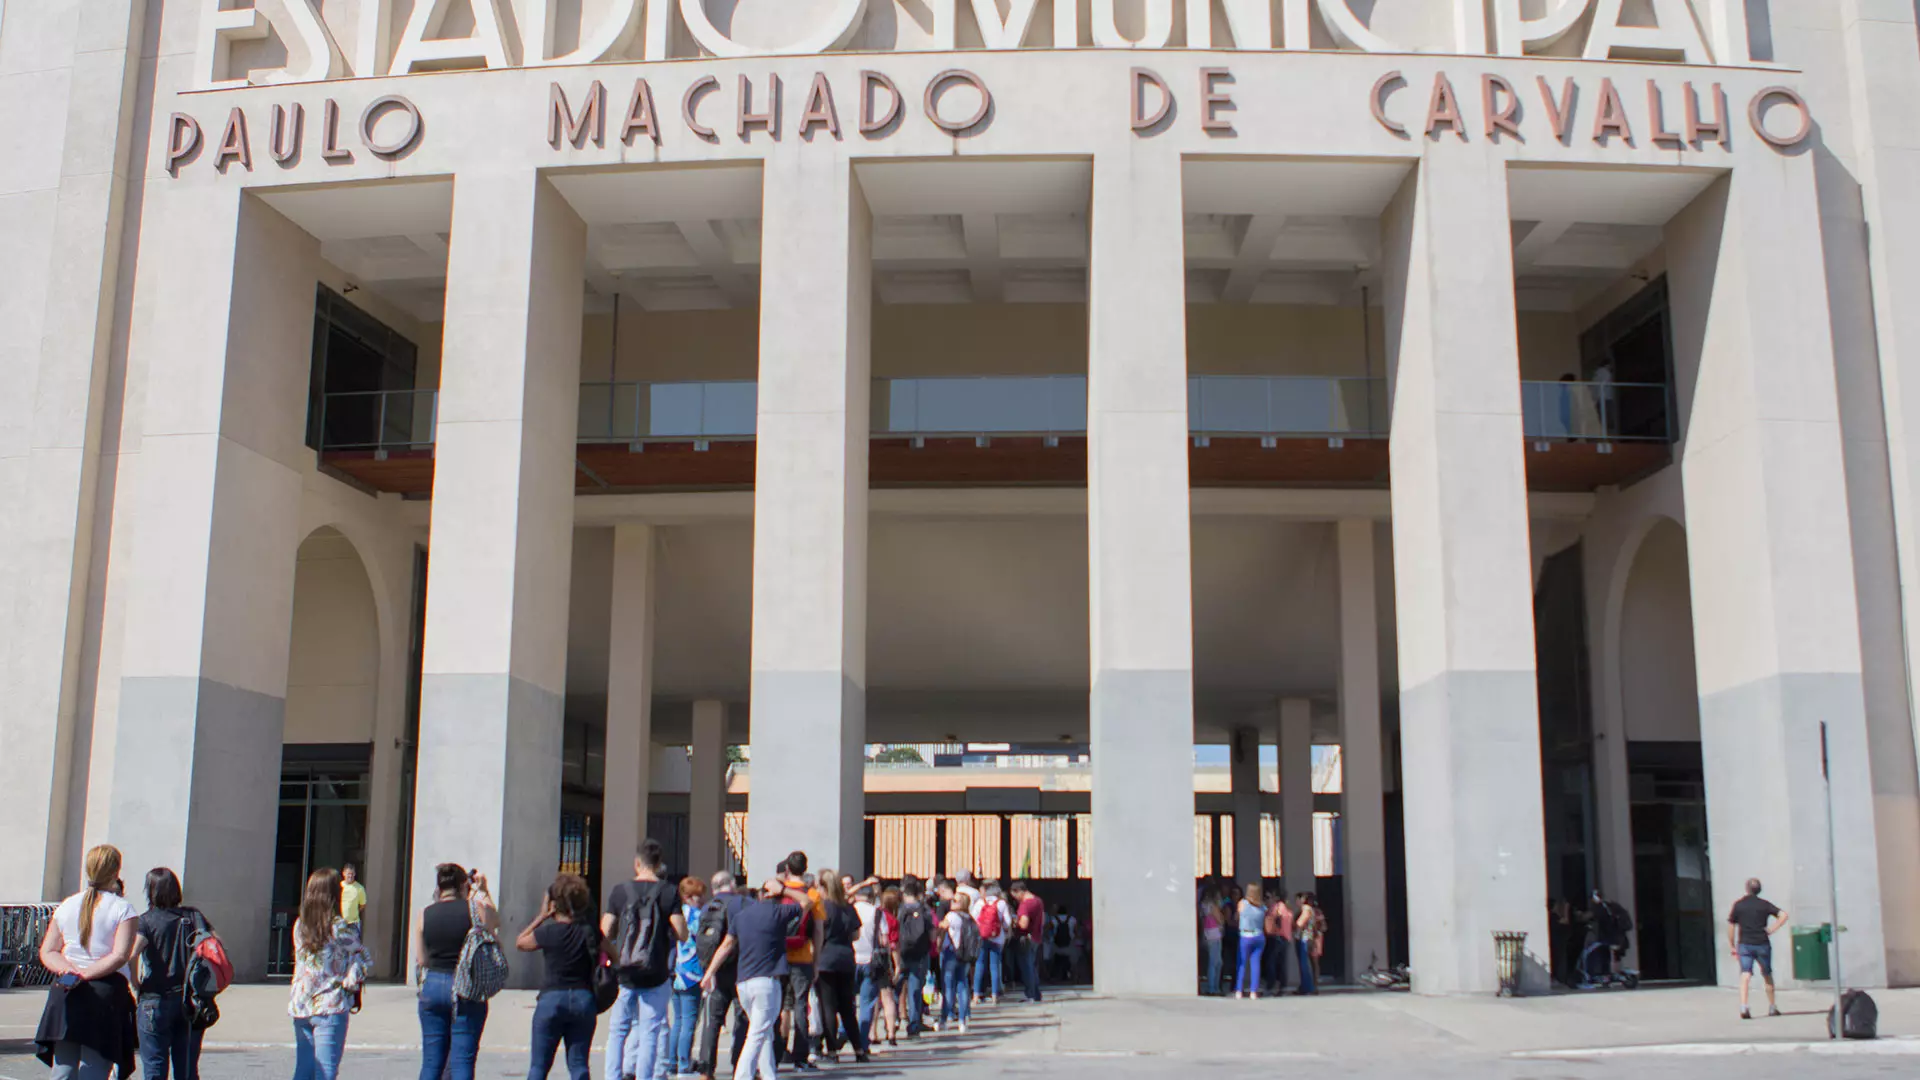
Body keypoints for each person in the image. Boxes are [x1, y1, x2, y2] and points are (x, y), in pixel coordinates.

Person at [35, 844, 138, 1080]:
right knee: (95, 1067)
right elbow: (120, 954)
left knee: (63, 1068)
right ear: (116, 872)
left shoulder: (67, 904)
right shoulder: (123, 909)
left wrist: (71, 970)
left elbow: (49, 951)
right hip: (104, 992)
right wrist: (88, 973)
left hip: (67, 989)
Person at [700, 880, 815, 1080]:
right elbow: (807, 902)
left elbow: (726, 945)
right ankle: (742, 1076)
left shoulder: (741, 916)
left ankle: (769, 1074)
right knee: (757, 1034)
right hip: (767, 982)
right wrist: (786, 889)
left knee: (764, 1032)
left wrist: (710, 972)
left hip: (743, 982)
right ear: (776, 896)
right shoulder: (778, 912)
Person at [601, 840, 690, 1080]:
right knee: (650, 1032)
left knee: (618, 1030)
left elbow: (605, 930)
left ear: (637, 863)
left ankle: (613, 1076)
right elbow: (682, 933)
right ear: (658, 864)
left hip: (625, 971)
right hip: (656, 971)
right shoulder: (669, 891)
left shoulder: (620, 890)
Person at [416, 863, 497, 1080]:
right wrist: (483, 891)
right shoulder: (474, 909)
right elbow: (494, 922)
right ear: (464, 886)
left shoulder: (424, 914)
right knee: (462, 1060)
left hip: (432, 984)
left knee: (432, 1062)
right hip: (465, 987)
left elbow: (422, 959)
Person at [515, 873, 600, 1080]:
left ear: (554, 904)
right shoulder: (590, 932)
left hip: (551, 999)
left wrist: (542, 916)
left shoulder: (548, 933)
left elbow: (520, 942)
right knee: (579, 1065)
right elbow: (613, 956)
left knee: (539, 1067)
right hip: (583, 999)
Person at [131, 867, 214, 1080]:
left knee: (155, 1068)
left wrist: (135, 983)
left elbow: (132, 954)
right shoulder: (194, 916)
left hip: (154, 998)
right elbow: (215, 948)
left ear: (150, 891)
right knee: (187, 1069)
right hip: (190, 1000)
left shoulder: (146, 921)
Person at [289, 868, 371, 1080]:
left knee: (303, 1070)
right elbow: (364, 957)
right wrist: (351, 979)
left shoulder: (300, 925)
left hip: (301, 1003)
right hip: (330, 1003)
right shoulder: (338, 926)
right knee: (325, 1071)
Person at [690, 872, 747, 1080]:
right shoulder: (742, 903)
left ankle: (706, 1069)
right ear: (731, 884)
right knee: (742, 1018)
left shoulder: (708, 907)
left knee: (712, 1020)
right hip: (739, 967)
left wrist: (708, 969)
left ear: (714, 888)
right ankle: (739, 1065)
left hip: (715, 968)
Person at [811, 872, 870, 1063]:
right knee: (847, 1007)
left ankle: (832, 1050)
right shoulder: (848, 907)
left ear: (823, 887)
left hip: (825, 958)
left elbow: (816, 935)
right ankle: (859, 1049)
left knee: (827, 1006)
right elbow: (856, 935)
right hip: (846, 958)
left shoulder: (821, 907)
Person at [775, 851, 826, 1070]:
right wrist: (816, 961)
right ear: (805, 869)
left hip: (778, 956)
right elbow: (819, 931)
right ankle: (801, 1057)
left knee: (776, 1007)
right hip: (803, 955)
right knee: (800, 1005)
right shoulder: (812, 894)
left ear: (787, 869)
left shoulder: (777, 891)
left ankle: (774, 1054)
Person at [1728, 878, 1788, 1020]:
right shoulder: (1764, 905)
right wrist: (1771, 929)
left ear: (1747, 889)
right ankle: (1772, 1006)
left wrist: (1731, 945)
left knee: (1745, 974)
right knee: (1767, 974)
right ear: (1759, 890)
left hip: (1745, 944)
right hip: (1762, 943)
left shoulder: (1739, 905)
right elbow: (1783, 915)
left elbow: (1731, 926)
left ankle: (1744, 1006)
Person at [667, 877, 709, 1078]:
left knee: (678, 1020)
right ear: (686, 896)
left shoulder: (676, 914)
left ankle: (672, 1060)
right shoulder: (699, 916)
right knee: (690, 1021)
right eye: (696, 896)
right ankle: (684, 1062)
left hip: (676, 971)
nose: (700, 900)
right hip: (693, 972)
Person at [895, 880, 935, 1038]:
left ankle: (895, 1020)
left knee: (896, 988)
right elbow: (932, 933)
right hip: (920, 953)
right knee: (915, 988)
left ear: (905, 894)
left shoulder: (901, 909)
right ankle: (914, 1023)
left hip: (902, 952)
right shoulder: (924, 909)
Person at [867, 888, 904, 1046]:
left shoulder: (874, 913)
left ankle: (872, 1033)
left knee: (873, 999)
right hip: (884, 958)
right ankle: (890, 1033)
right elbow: (892, 945)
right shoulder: (892, 920)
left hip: (869, 957)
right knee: (888, 998)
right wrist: (897, 965)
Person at [937, 883, 974, 1033]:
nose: (951, 902)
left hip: (951, 953)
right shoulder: (969, 918)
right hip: (964, 954)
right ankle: (963, 1020)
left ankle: (945, 1018)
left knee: (948, 987)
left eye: (955, 901)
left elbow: (941, 927)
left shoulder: (951, 916)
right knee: (963, 985)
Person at [971, 884, 1010, 1005]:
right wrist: (1005, 929)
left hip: (981, 938)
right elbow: (1007, 922)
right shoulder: (1001, 903)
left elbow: (972, 919)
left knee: (979, 965)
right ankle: (994, 995)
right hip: (997, 938)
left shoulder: (979, 903)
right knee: (995, 966)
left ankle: (976, 995)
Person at [1010, 881, 1045, 1002]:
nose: (1015, 899)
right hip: (1036, 937)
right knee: (1033, 967)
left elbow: (1023, 924)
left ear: (1019, 892)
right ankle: (1036, 993)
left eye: (1015, 896)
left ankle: (1030, 994)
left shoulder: (1025, 905)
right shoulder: (1038, 901)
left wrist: (1014, 922)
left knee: (1026, 967)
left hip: (1026, 939)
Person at [1233, 883, 1264, 999]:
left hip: (1245, 935)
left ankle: (1239, 990)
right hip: (1259, 935)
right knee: (1255, 964)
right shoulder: (1262, 906)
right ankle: (1253, 991)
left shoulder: (1243, 904)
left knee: (1241, 963)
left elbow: (1237, 917)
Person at [1263, 889, 1294, 996]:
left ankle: (1270, 985)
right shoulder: (1287, 908)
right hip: (1286, 938)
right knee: (1282, 963)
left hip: (1277, 937)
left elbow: (1274, 921)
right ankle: (1283, 986)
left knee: (1271, 962)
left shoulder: (1276, 908)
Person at [1293, 894, 1319, 996]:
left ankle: (1308, 987)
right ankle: (1305, 986)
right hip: (1306, 938)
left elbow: (1300, 923)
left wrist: (1293, 923)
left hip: (1305, 938)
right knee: (1303, 964)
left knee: (1304, 964)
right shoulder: (1308, 909)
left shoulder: (1306, 909)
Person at [1199, 888, 1223, 996]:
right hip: (1215, 935)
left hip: (1208, 934)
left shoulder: (1204, 906)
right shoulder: (1213, 906)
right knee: (1215, 962)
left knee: (1214, 961)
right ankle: (1213, 987)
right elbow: (1220, 920)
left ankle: (1213, 986)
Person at [340, 865, 368, 939]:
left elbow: (363, 904)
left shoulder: (360, 888)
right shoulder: (339, 886)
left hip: (353, 923)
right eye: (348, 873)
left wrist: (355, 912)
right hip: (339, 922)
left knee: (354, 946)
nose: (350, 876)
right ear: (343, 873)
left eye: (352, 874)